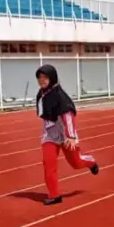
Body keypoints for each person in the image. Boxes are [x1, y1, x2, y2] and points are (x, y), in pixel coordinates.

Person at [35, 64, 99, 206]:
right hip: (50, 135)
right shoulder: (41, 94)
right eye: (39, 77)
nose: (41, 80)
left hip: (65, 135)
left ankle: (91, 162)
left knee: (76, 163)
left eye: (45, 77)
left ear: (52, 78)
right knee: (48, 163)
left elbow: (68, 115)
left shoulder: (60, 96)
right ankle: (54, 195)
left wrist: (70, 135)